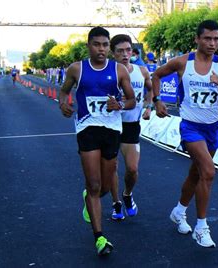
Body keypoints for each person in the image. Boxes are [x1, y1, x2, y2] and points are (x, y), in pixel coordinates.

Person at [152, 20, 218, 248]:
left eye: (216, 39)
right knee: (209, 172)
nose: (213, 43)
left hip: (213, 128)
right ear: (197, 39)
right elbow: (156, 75)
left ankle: (179, 211)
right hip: (191, 127)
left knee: (196, 174)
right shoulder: (183, 62)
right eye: (207, 38)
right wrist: (157, 100)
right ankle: (202, 228)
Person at [58, 27, 136, 256]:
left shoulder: (119, 70)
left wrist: (120, 104)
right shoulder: (77, 69)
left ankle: (89, 198)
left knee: (103, 185)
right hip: (87, 127)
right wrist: (62, 103)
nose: (101, 49)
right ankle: (99, 237)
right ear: (89, 46)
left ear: (108, 47)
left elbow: (131, 100)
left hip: (112, 129)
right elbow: (64, 92)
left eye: (104, 45)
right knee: (93, 184)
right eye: (96, 44)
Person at [108, 34, 153, 220]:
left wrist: (149, 105)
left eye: (128, 50)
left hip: (131, 125)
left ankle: (127, 194)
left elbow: (150, 88)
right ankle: (116, 203)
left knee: (132, 169)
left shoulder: (141, 71)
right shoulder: (107, 72)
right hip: (110, 125)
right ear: (113, 53)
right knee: (112, 168)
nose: (125, 54)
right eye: (120, 51)